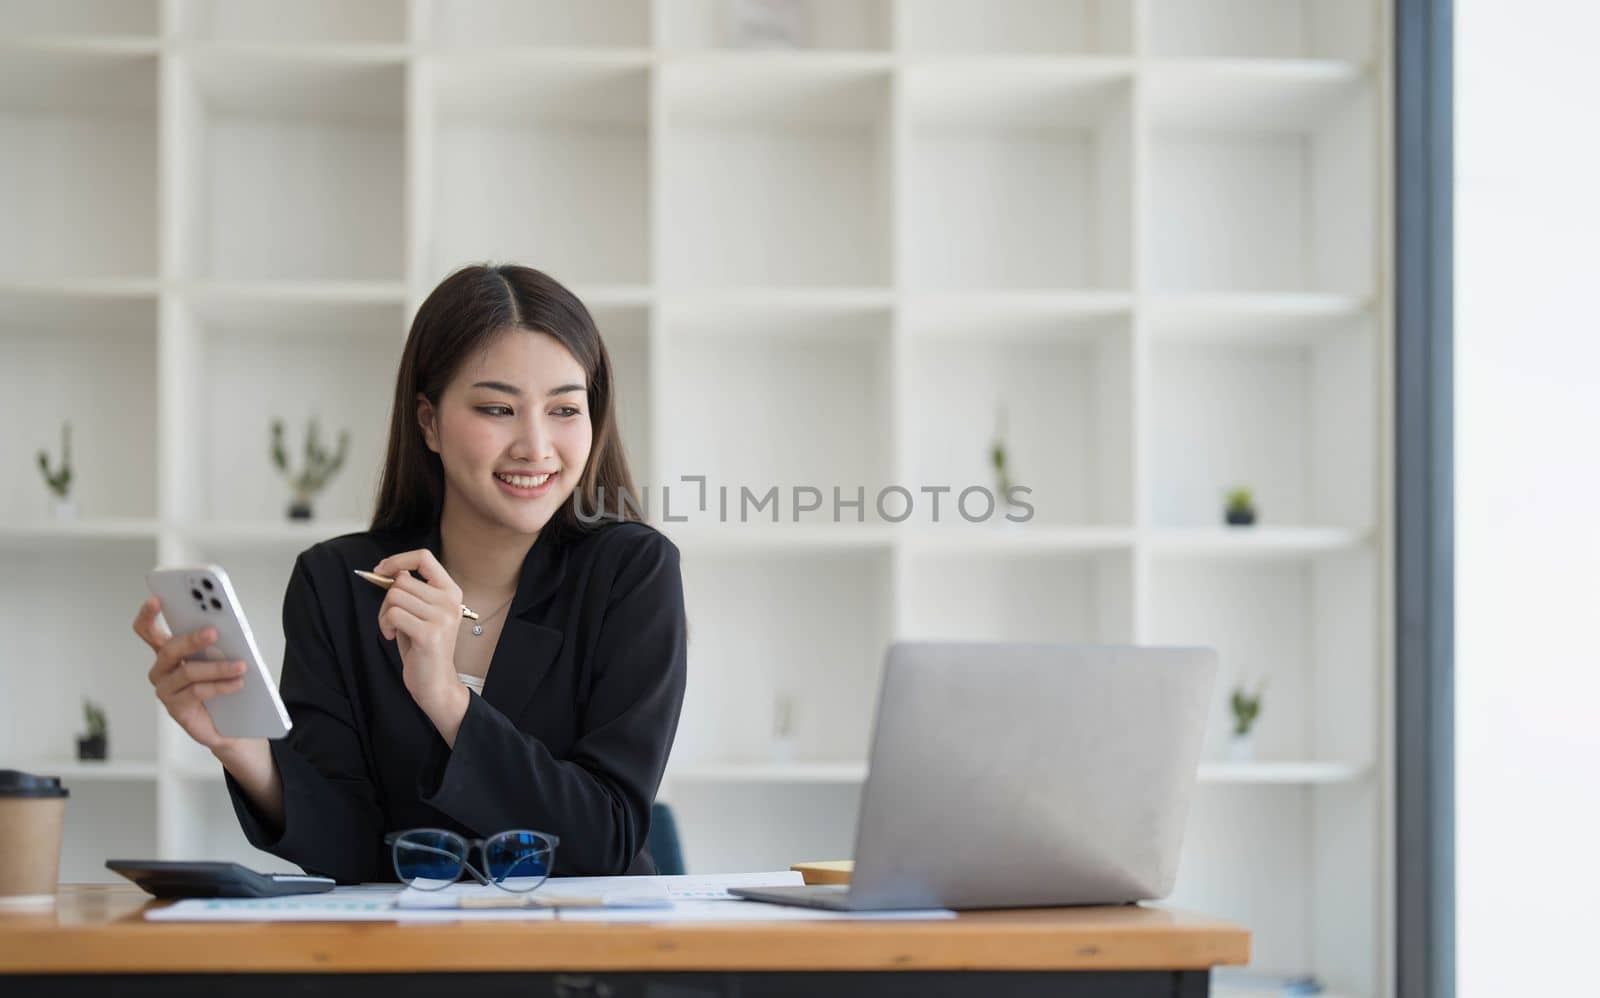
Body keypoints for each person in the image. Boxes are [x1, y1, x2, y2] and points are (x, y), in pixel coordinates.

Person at [132, 264, 686, 883]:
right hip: (407, 957)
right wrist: (243, 751)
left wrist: (447, 700)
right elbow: (353, 848)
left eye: (564, 409)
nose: (536, 445)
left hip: (583, 958)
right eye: (498, 408)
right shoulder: (337, 582)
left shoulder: (631, 572)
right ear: (428, 421)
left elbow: (604, 840)